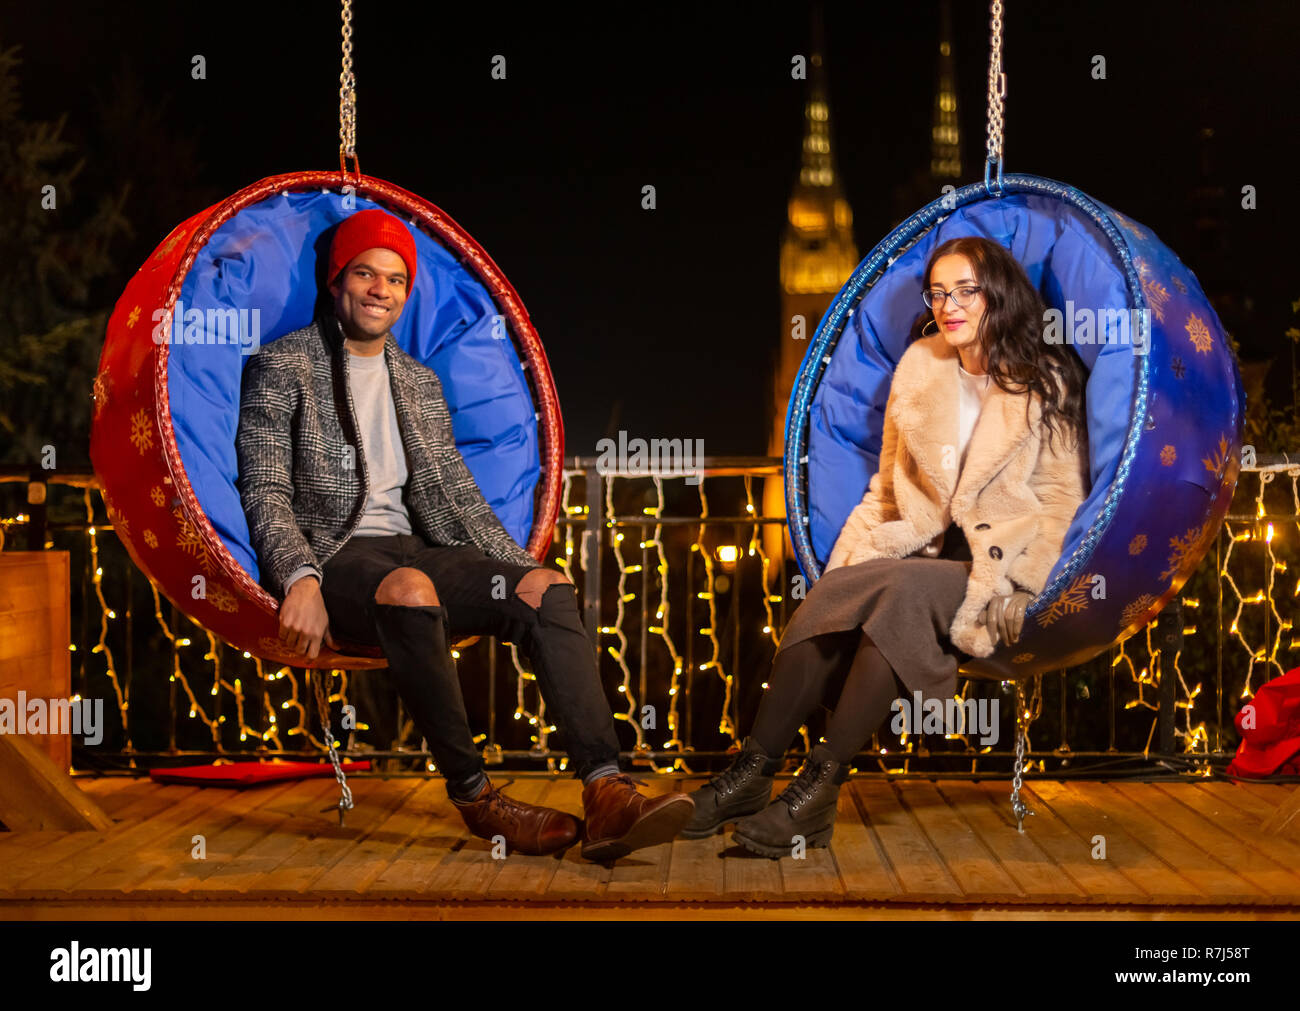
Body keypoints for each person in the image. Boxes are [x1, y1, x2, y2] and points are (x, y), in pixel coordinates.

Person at [234, 207, 693, 862]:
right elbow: (266, 488)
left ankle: (607, 793)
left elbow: (458, 496)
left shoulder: (419, 383)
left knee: (545, 588)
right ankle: (479, 798)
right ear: (338, 281)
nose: (379, 290)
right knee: (412, 588)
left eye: (394, 279)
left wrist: (523, 568)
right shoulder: (282, 366)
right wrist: (299, 578)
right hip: (336, 553)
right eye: (365, 272)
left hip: (417, 548)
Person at [684, 236, 1090, 857]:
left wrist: (1031, 581)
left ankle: (815, 790)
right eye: (937, 292)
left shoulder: (1046, 379)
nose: (948, 304)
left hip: (995, 563)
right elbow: (885, 490)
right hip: (921, 551)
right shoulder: (920, 369)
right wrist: (844, 571)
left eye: (964, 290)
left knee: (898, 589)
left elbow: (1062, 499)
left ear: (997, 295)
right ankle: (752, 774)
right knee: (847, 590)